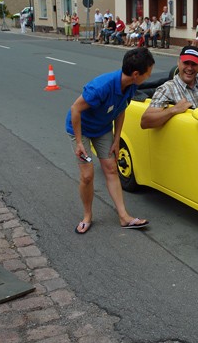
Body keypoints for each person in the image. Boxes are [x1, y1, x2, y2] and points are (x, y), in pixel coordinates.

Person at [66, 47, 156, 233]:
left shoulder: (131, 86)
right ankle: (87, 216)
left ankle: (124, 217)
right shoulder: (101, 87)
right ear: (136, 74)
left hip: (103, 129)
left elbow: (121, 109)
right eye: (148, 73)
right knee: (87, 175)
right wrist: (80, 143)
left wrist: (117, 139)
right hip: (81, 130)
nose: (149, 76)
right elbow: (75, 109)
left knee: (111, 169)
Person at [141, 46, 198, 129]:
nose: (189, 68)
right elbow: (145, 122)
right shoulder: (167, 89)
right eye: (186, 63)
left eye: (194, 64)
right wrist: (174, 109)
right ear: (178, 62)